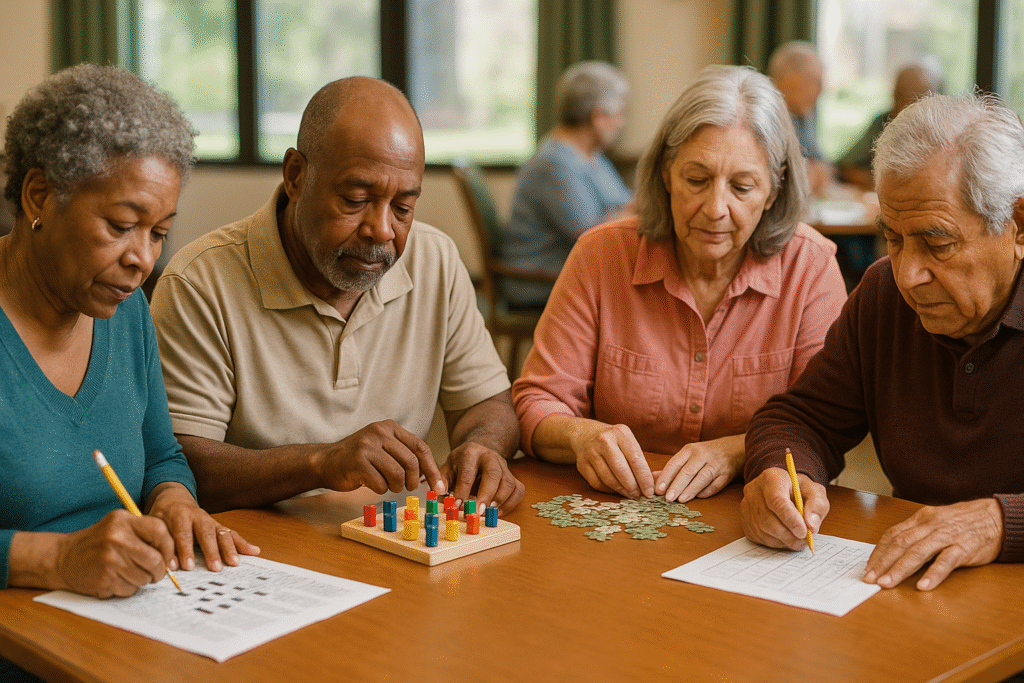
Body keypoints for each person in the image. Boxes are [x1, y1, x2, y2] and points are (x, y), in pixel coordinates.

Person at [150, 77, 524, 516]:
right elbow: (180, 469)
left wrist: (482, 446)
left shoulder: (434, 259)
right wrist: (321, 463)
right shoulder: (200, 282)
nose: (382, 230)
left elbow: (487, 403)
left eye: (403, 207)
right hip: (261, 554)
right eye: (355, 199)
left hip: (390, 540)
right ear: (296, 176)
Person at [0, 65, 257, 681]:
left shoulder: (124, 309)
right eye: (120, 226)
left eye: (159, 233)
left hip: (121, 639)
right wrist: (57, 559)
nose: (142, 258)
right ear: (40, 197)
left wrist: (174, 501)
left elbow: (160, 451)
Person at [511, 65, 847, 503]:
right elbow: (538, 399)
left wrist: (737, 451)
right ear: (667, 171)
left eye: (742, 187)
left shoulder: (811, 267)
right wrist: (581, 436)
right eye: (696, 180)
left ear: (774, 188)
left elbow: (826, 423)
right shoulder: (600, 254)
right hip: (619, 513)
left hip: (752, 514)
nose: (715, 208)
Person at [741, 92, 1024, 592]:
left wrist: (1002, 521)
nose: (908, 274)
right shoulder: (883, 295)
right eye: (892, 239)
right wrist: (785, 473)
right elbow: (801, 418)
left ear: (1017, 226)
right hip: (918, 590)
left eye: (938, 243)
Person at [499, 60, 633, 308]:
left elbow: (624, 203)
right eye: (618, 114)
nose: (621, 123)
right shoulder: (554, 163)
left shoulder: (591, 155)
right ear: (598, 116)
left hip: (569, 272)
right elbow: (591, 234)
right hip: (538, 281)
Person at [838, 63, 943, 191]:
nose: (898, 101)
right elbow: (845, 167)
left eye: (914, 96)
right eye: (900, 94)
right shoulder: (884, 121)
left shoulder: (941, 131)